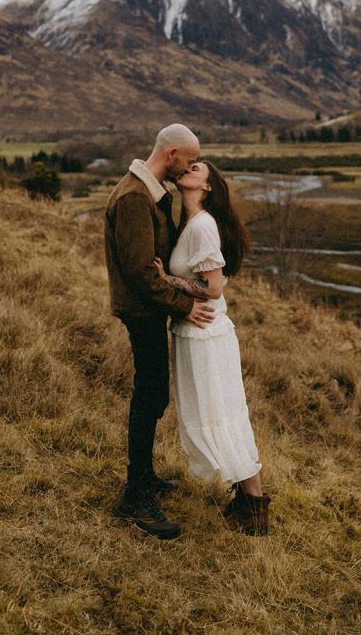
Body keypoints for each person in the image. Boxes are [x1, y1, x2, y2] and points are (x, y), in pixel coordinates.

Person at [104, 123, 216, 540]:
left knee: (152, 394)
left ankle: (144, 480)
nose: (190, 167)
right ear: (171, 154)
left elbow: (154, 264)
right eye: (188, 160)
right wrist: (186, 305)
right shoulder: (135, 198)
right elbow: (139, 274)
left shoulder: (148, 191)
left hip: (148, 309)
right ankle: (135, 497)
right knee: (149, 395)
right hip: (141, 311)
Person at [153, 159, 270, 535]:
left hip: (206, 335)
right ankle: (247, 503)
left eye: (197, 167)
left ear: (207, 186)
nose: (189, 168)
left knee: (220, 415)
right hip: (199, 332)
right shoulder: (192, 223)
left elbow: (213, 288)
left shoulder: (202, 225)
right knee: (220, 413)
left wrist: (166, 279)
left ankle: (253, 509)